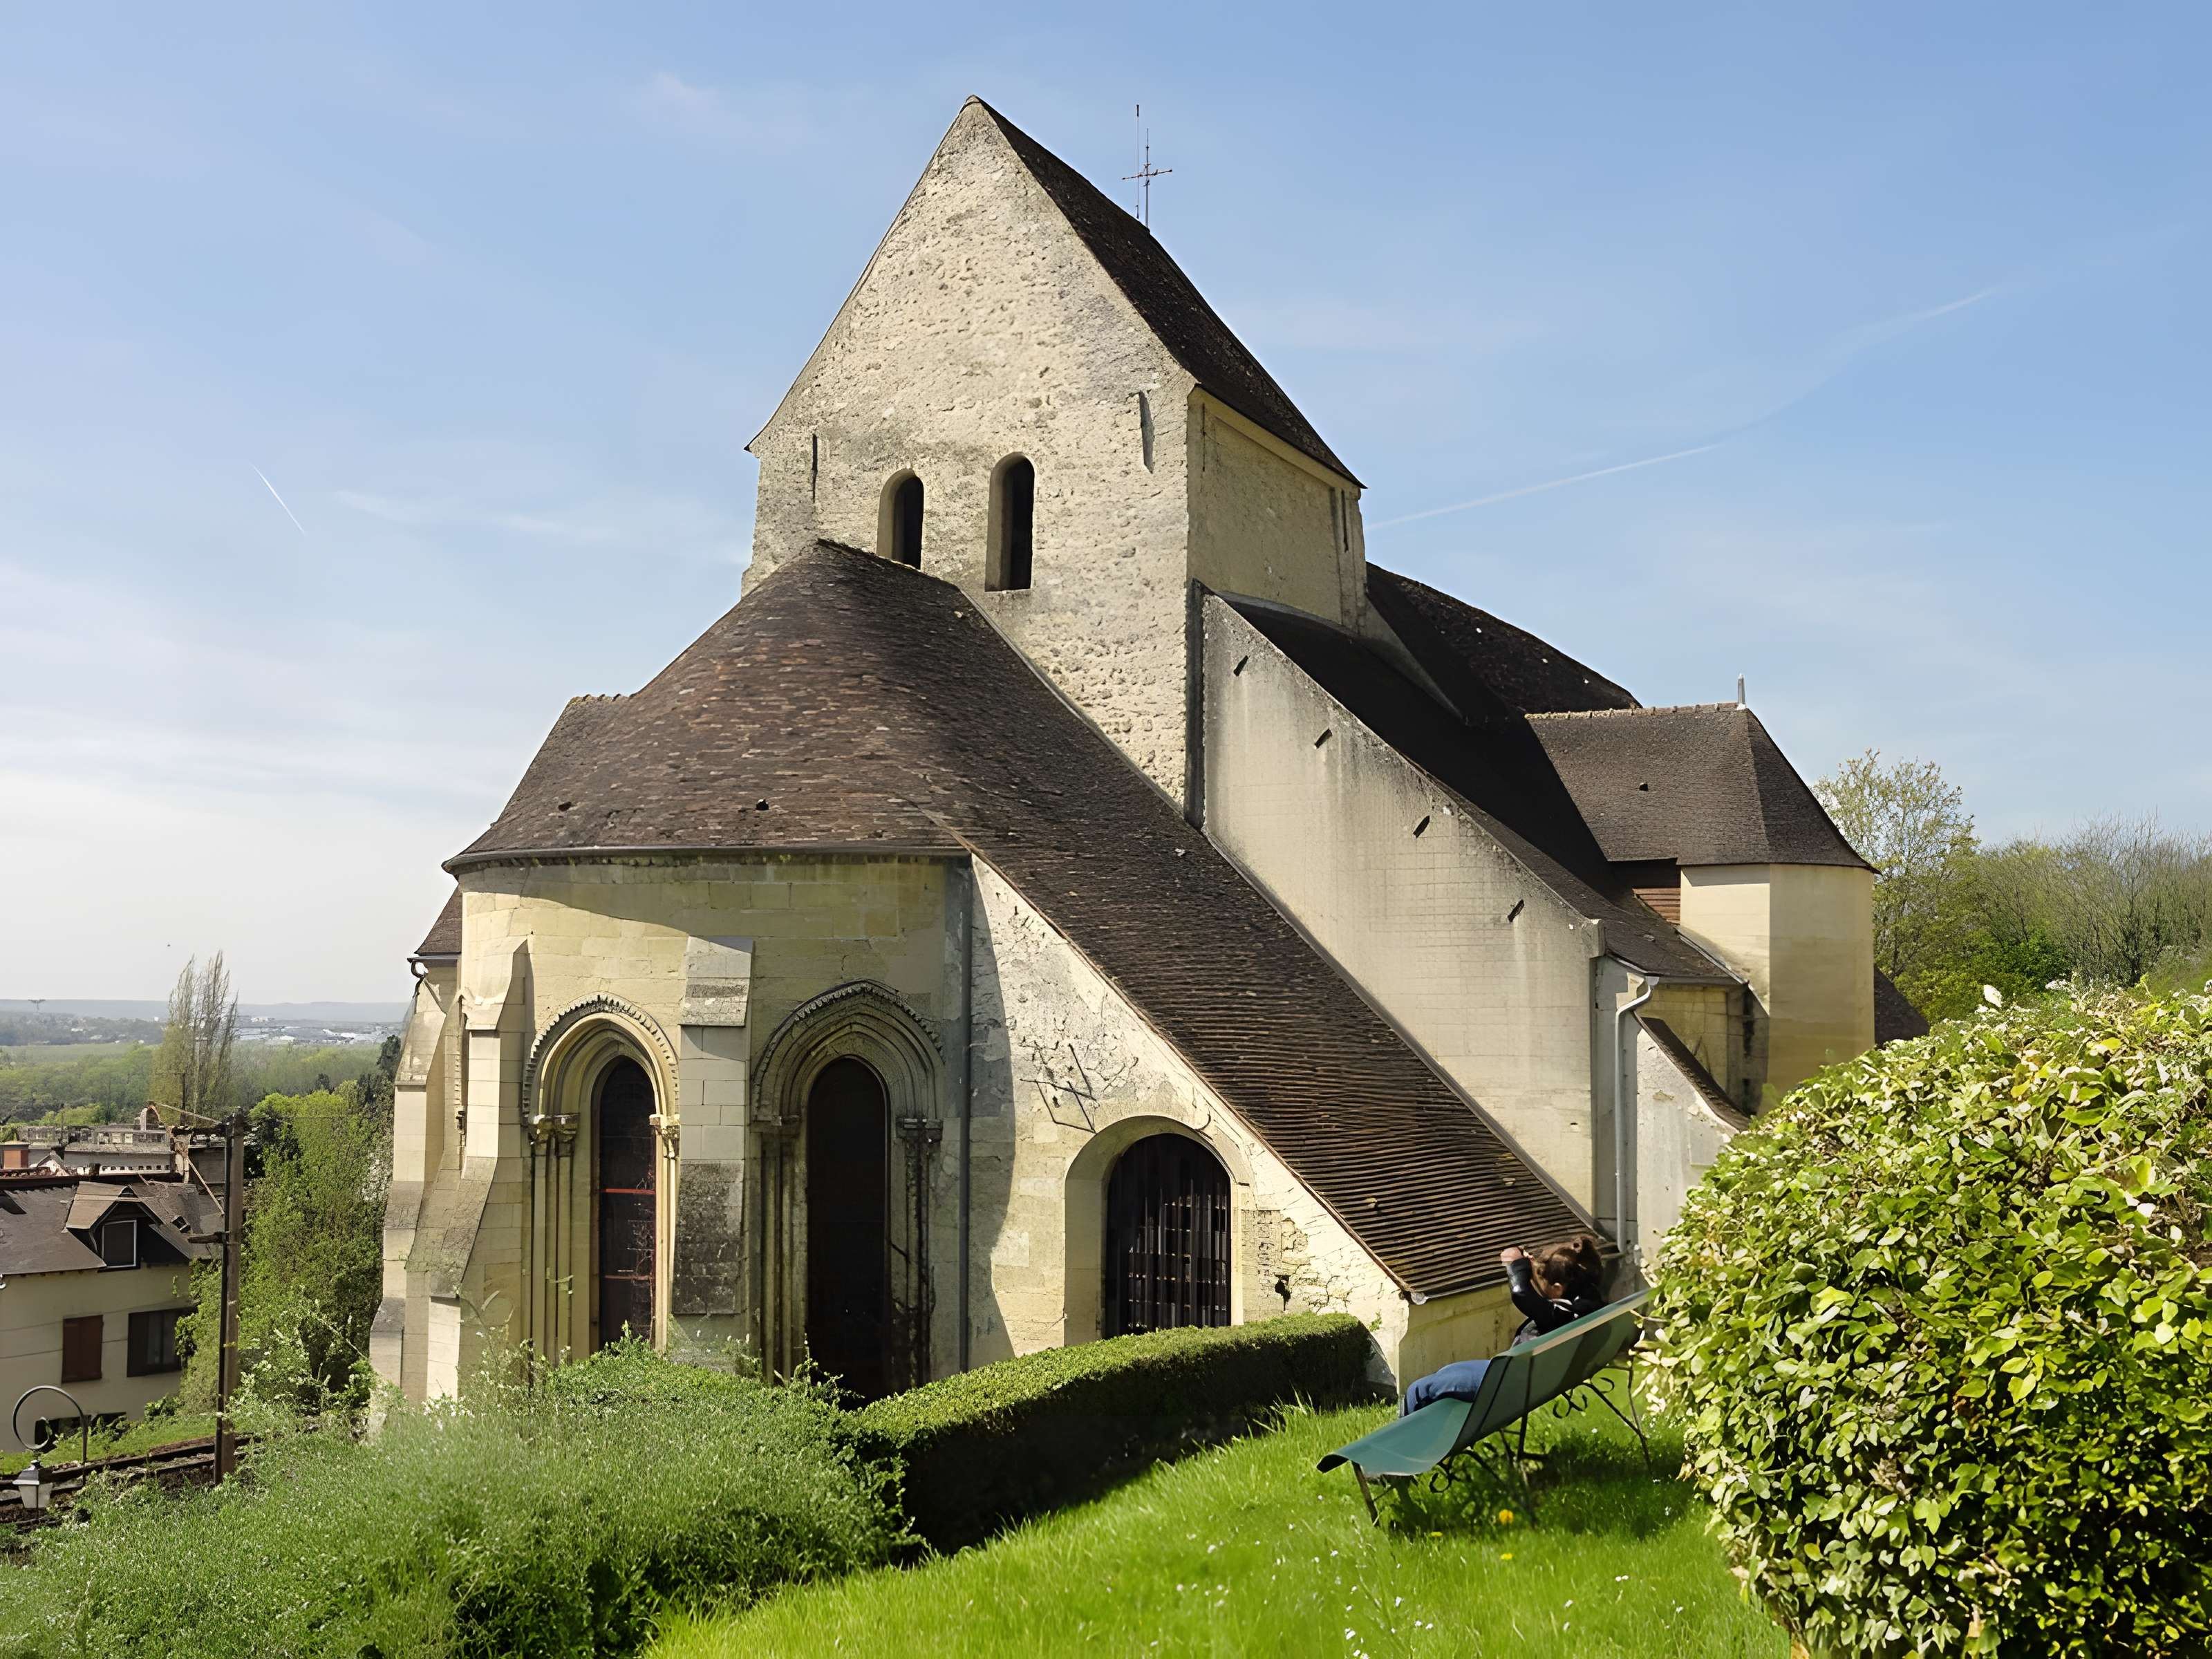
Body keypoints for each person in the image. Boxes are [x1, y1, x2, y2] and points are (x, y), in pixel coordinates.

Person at [1400, 1233, 1606, 1415]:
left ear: (1559, 1288)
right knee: (1447, 1371)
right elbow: (1538, 1299)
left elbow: (1522, 1294)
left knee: (1419, 1390)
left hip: (1510, 1384)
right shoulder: (1586, 1304)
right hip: (1530, 1379)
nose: (1537, 1281)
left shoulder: (1561, 1317)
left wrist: (1517, 1264)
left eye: (1541, 1278)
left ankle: (1400, 1451)